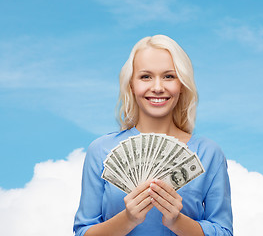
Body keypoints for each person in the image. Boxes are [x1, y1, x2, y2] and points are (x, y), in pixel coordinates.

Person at [73, 35, 233, 236]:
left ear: (182, 85)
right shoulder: (101, 150)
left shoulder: (208, 153)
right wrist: (128, 219)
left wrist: (177, 221)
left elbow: (224, 232)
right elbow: (83, 232)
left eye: (169, 76)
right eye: (146, 76)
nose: (157, 87)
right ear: (131, 84)